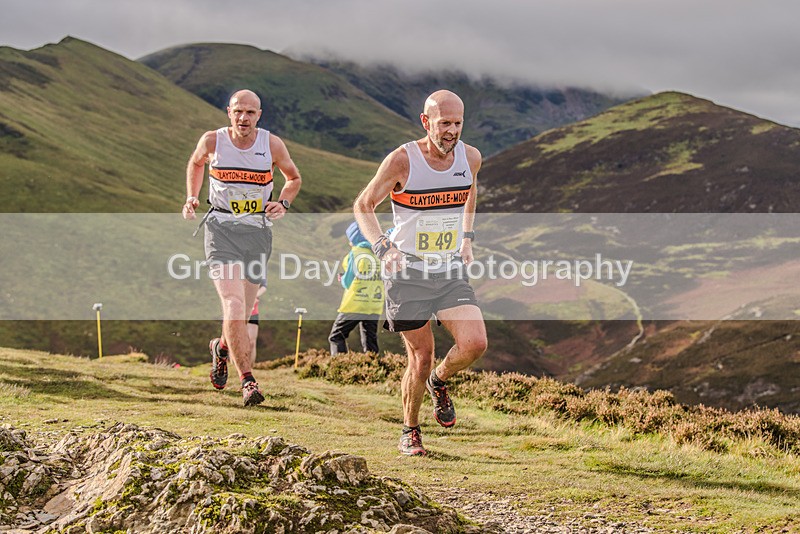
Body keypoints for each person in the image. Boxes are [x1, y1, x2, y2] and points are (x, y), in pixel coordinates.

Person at [354, 90, 487, 456]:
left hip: (447, 268)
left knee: (475, 343)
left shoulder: (470, 157)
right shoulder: (402, 160)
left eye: (458, 123)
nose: (452, 132)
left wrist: (467, 237)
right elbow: (363, 205)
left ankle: (438, 382)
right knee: (420, 355)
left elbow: (469, 190)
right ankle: (410, 429)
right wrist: (383, 245)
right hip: (407, 271)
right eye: (444, 123)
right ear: (426, 121)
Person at [183, 89, 301, 406]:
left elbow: (293, 178)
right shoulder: (213, 141)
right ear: (229, 112)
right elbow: (195, 164)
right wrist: (192, 195)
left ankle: (221, 349)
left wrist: (284, 203)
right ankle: (247, 382)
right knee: (233, 306)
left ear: (259, 115)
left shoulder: (272, 145)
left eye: (250, 112)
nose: (243, 118)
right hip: (221, 230)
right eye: (238, 111)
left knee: (244, 314)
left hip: (258, 234)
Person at [328, 221, 384, 355]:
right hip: (374, 305)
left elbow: (348, 282)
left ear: (354, 239)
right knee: (370, 340)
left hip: (355, 304)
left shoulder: (356, 253)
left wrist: (342, 279)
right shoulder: (378, 254)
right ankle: (373, 368)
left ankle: (340, 367)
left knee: (336, 337)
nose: (349, 243)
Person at [209, 279, 267, 389]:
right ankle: (247, 379)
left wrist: (256, 295)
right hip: (226, 264)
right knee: (234, 305)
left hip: (253, 308)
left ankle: (221, 348)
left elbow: (264, 285)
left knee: (249, 339)